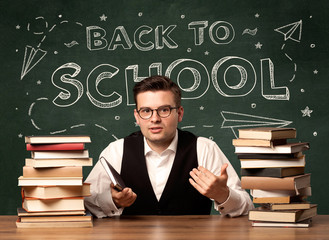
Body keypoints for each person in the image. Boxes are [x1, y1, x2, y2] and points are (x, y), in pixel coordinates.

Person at [84, 75, 254, 217]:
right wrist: (113, 201)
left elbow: (247, 208)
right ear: (137, 116)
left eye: (164, 110)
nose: (154, 118)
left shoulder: (204, 149)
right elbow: (87, 202)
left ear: (179, 113)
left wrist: (223, 195)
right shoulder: (116, 151)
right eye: (146, 111)